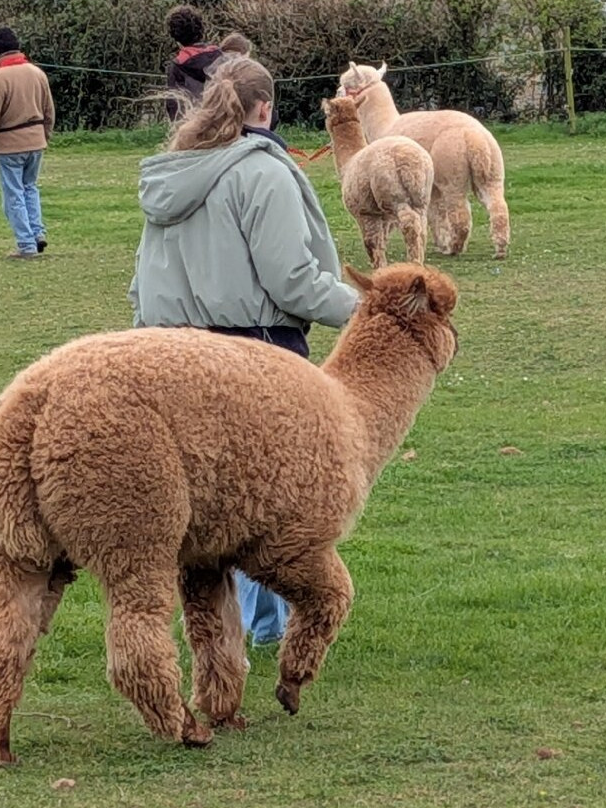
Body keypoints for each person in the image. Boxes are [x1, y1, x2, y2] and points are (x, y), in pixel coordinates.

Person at [129, 56, 359, 646]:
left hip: (169, 352)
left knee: (199, 506)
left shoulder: (174, 173)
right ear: (266, 107)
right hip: (252, 354)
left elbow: (144, 276)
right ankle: (262, 628)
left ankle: (214, 640)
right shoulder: (263, 174)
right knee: (262, 501)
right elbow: (292, 280)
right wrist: (362, 308)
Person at [0, 27, 54, 260]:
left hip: (10, 145)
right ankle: (37, 234)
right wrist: (45, 136)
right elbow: (49, 111)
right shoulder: (37, 73)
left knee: (13, 194)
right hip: (36, 142)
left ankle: (25, 244)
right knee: (30, 188)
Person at [165, 4, 223, 122]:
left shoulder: (177, 66)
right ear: (201, 29)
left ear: (174, 36)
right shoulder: (222, 58)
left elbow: (174, 106)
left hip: (194, 127)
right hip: (223, 126)